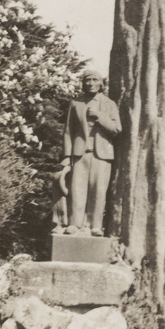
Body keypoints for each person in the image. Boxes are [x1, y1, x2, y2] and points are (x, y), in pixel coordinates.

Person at [59, 70, 121, 236]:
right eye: (88, 80)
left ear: (101, 84)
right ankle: (74, 224)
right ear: (83, 83)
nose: (91, 83)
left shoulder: (109, 104)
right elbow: (68, 132)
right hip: (80, 153)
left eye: (95, 80)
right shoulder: (76, 104)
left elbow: (116, 129)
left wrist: (99, 116)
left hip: (102, 155)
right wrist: (66, 156)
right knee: (76, 189)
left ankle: (96, 226)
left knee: (99, 191)